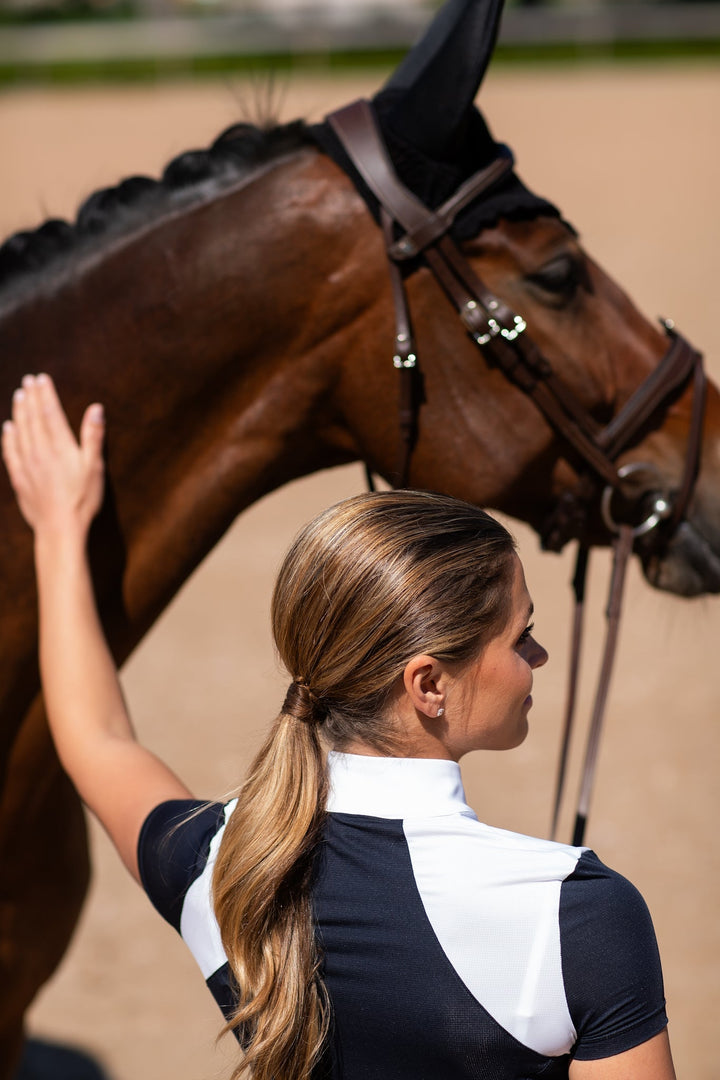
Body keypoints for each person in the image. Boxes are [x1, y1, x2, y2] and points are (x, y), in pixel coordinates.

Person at [2, 373, 676, 1080]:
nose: (538, 655)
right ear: (428, 685)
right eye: (520, 636)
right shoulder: (582, 918)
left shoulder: (224, 866)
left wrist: (56, 531)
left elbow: (96, 739)